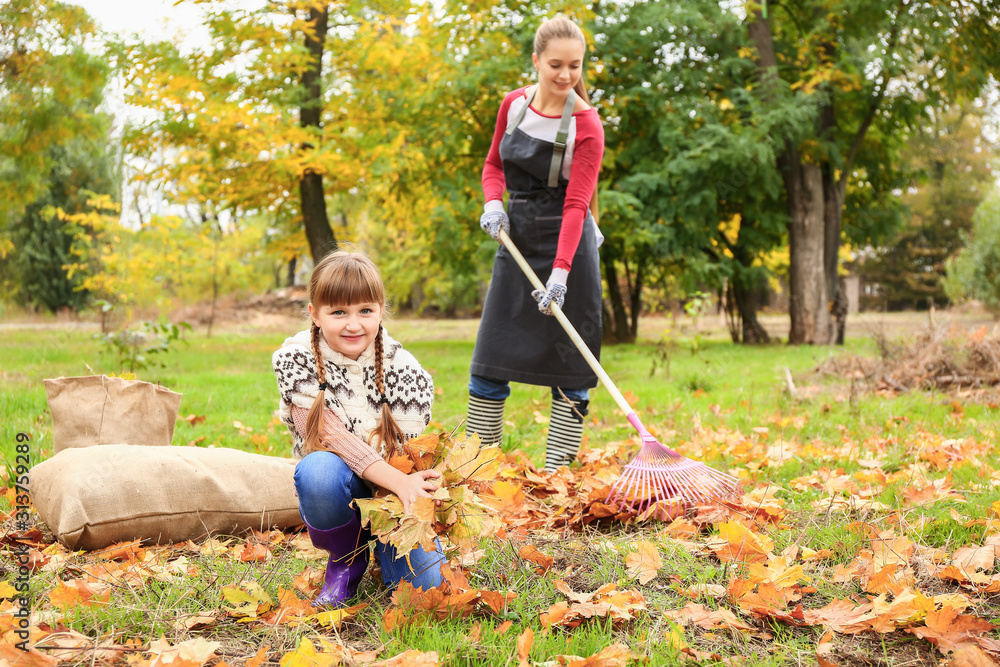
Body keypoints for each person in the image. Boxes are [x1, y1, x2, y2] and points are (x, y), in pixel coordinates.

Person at [467, 15, 605, 472]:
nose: (566, 76)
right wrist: (493, 203)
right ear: (536, 61)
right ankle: (478, 470)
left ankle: (556, 478)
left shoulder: (587, 125)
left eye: (575, 66)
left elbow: (577, 205)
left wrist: (561, 274)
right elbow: (493, 167)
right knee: (489, 361)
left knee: (571, 366)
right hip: (518, 238)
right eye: (555, 65)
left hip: (569, 246)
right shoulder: (513, 105)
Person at [272, 250, 445, 607]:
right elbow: (327, 437)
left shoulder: (406, 370)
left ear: (381, 310)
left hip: (389, 497)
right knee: (317, 470)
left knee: (424, 591)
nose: (354, 324)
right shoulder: (296, 359)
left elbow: (411, 455)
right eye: (339, 312)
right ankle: (346, 559)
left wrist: (416, 486)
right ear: (315, 314)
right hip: (338, 488)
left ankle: (385, 548)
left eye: (365, 311)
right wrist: (398, 480)